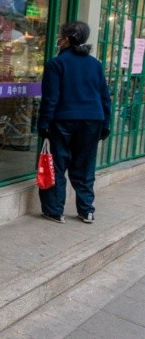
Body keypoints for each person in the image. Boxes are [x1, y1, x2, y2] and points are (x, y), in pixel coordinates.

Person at [38, 21, 111, 224]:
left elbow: (50, 98)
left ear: (67, 39)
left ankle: (55, 211)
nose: (58, 39)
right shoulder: (95, 65)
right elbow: (105, 97)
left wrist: (44, 123)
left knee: (58, 165)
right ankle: (86, 210)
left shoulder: (56, 64)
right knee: (85, 166)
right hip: (93, 120)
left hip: (63, 120)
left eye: (61, 35)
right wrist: (106, 123)